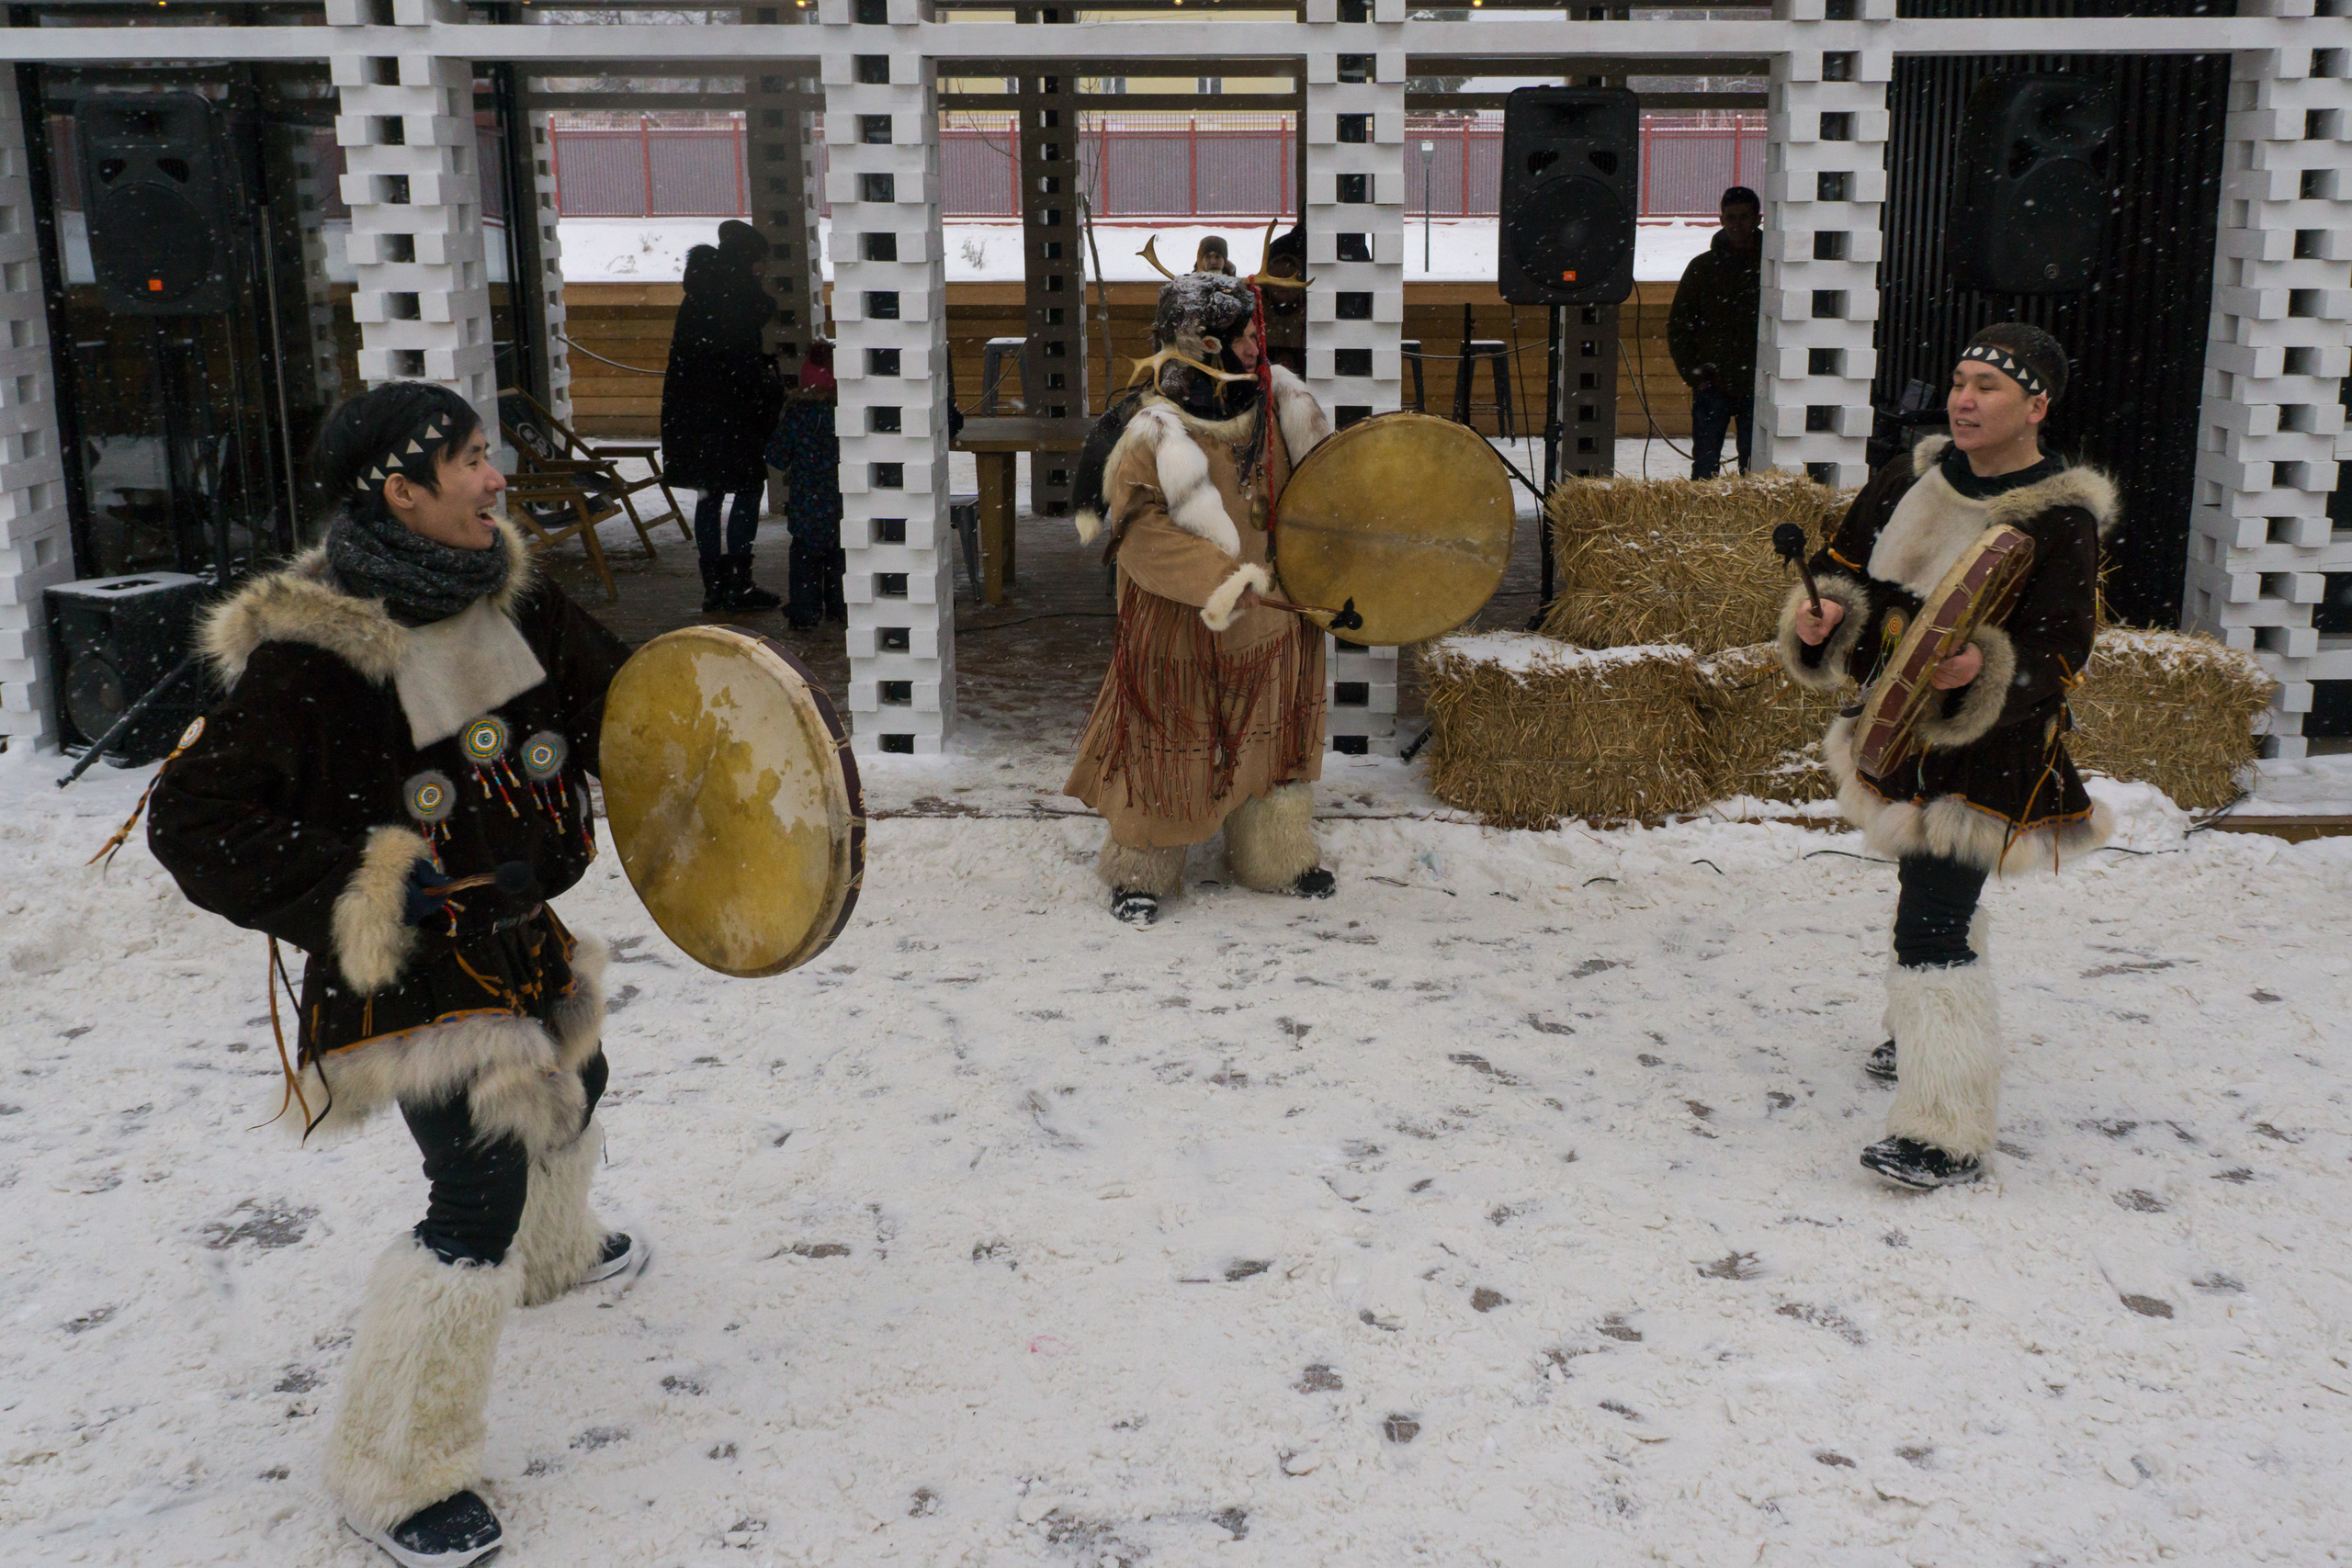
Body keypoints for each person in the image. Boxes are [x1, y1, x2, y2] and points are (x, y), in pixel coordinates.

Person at [145, 382, 641, 1565]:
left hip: (514, 923)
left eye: (490, 453)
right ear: (399, 492)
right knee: (473, 1199)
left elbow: (621, 696)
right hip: (410, 967)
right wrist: (371, 885)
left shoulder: (501, 587)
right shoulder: (318, 651)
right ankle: (394, 1472)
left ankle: (554, 1256)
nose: (495, 478)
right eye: (470, 462)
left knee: (582, 1075)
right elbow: (196, 821)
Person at [1779, 322, 2119, 1189]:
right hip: (1900, 735)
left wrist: (1982, 670)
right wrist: (1825, 615)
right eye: (1961, 381)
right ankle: (1918, 1036)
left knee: (1930, 918)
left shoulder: (2060, 519)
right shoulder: (1909, 478)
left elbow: (2063, 652)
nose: (1965, 400)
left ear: (2036, 406)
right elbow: (1844, 566)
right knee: (1930, 895)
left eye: (1990, 388)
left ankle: (1947, 1130)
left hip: (1989, 753)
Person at [1065, 270, 1337, 927]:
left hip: (1270, 619)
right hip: (1180, 622)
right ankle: (1143, 868)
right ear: (1206, 343)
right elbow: (1139, 533)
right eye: (1244, 335)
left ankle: (1274, 854)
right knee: (1165, 746)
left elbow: (1331, 494)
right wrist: (1220, 578)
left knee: (1270, 747)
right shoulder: (1152, 431)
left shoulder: (1280, 405)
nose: (1256, 346)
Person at [662, 220, 787, 613]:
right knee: (748, 491)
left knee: (709, 495)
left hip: (693, 413)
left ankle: (714, 587)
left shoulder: (699, 293)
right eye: (763, 260)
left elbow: (703, 356)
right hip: (733, 413)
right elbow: (738, 363)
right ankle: (740, 585)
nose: (767, 269)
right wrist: (769, 385)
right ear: (751, 261)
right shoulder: (739, 299)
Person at [1668, 186, 1763, 479]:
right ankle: (1703, 524)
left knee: (1756, 470)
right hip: (1713, 384)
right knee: (1705, 469)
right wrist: (1696, 376)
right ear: (1720, 219)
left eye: (1745, 217)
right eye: (1731, 217)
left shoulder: (1772, 267)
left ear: (1758, 219)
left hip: (1759, 386)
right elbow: (1679, 325)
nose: (1737, 224)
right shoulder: (1702, 268)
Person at [769, 340, 844, 630]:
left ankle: (804, 611)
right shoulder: (846, 414)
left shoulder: (797, 414)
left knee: (804, 559)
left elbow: (776, 456)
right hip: (840, 503)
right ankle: (841, 607)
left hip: (806, 503)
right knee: (840, 557)